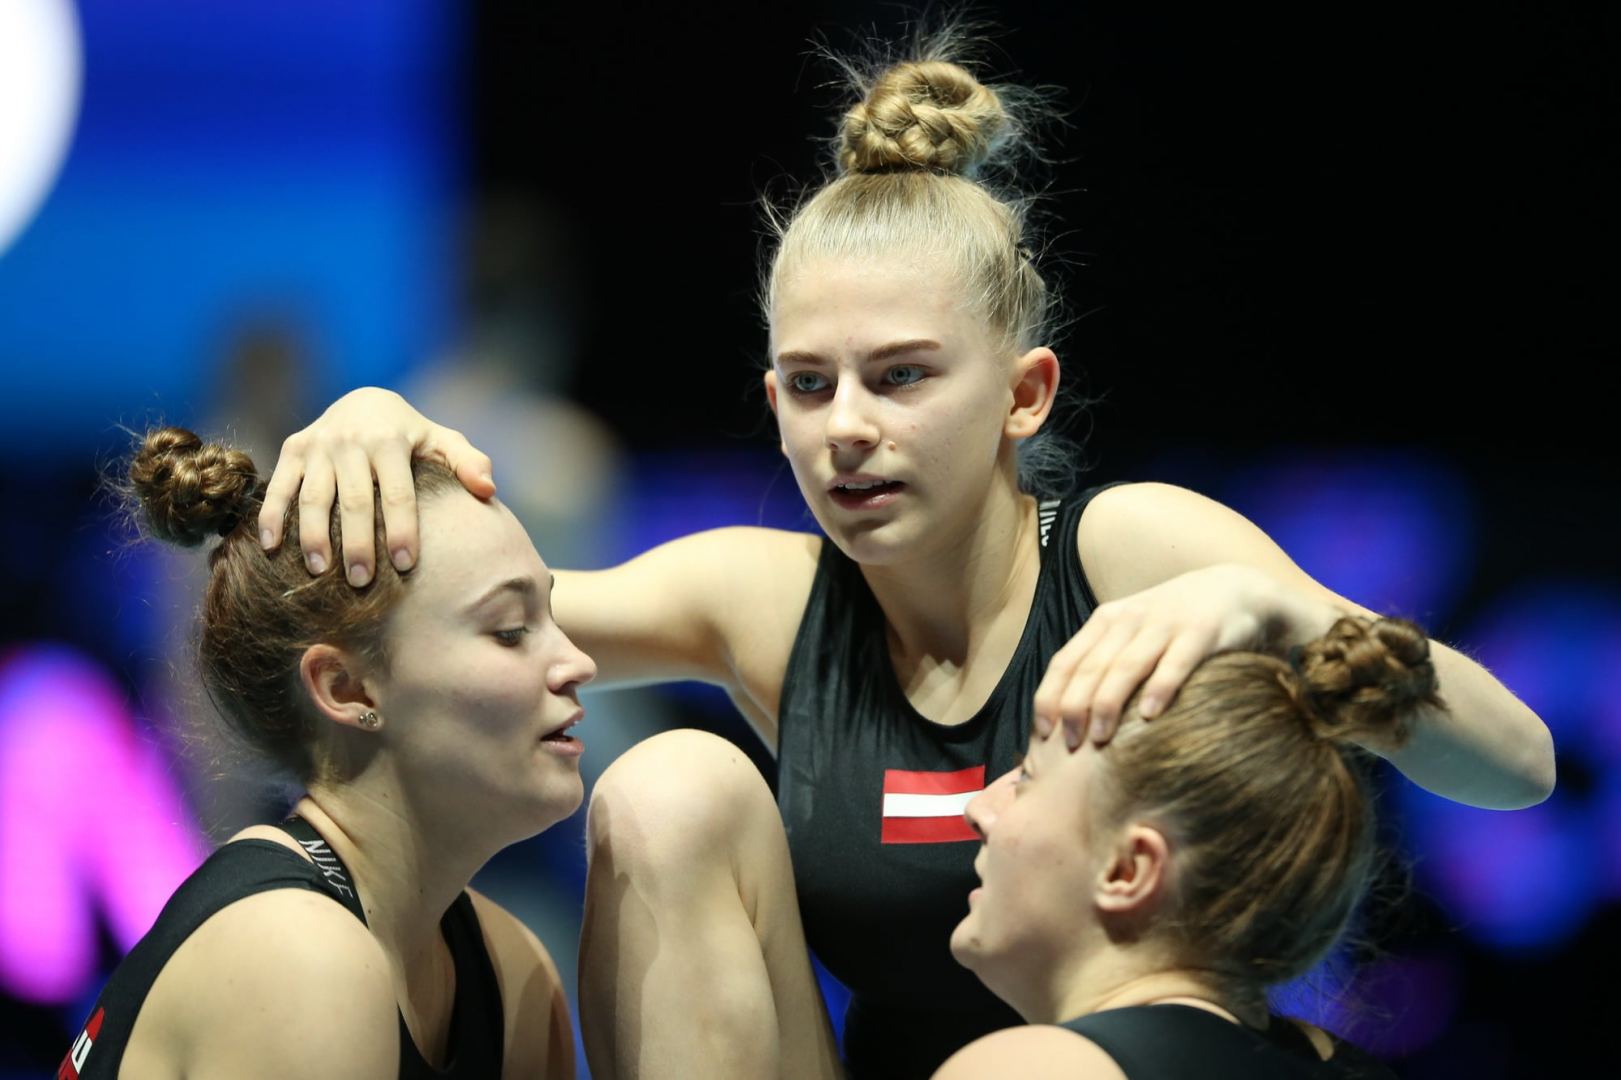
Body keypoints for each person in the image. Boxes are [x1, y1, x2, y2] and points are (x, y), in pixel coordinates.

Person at [253, 42, 1555, 1080]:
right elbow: (451, 617)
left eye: (903, 377)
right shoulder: (761, 601)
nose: (850, 429)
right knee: (672, 784)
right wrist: (376, 427)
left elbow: (1515, 766)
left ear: (1025, 394)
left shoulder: (1131, 547)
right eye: (809, 388)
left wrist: (1273, 605)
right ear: (771, 402)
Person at [60, 426, 590, 1079]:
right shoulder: (296, 957)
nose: (578, 662)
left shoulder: (514, 976)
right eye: (510, 630)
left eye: (555, 618)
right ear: (347, 687)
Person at [934, 615, 1428, 1079]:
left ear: (1128, 870)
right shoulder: (1358, 1070)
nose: (978, 809)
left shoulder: (1034, 1069)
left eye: (1027, 778)